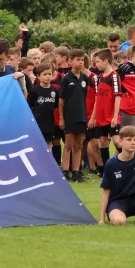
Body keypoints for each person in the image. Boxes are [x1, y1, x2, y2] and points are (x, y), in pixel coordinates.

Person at [59, 49, 90, 182]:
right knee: (68, 145)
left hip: (81, 116)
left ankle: (76, 171)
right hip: (69, 116)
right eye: (78, 60)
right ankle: (65, 171)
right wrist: (61, 118)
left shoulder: (85, 78)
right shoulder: (66, 78)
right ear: (71, 61)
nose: (81, 62)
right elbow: (61, 100)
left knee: (79, 145)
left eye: (82, 60)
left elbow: (85, 97)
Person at [90, 49, 122, 168]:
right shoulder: (98, 78)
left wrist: (115, 116)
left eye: (97, 61)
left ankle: (128, 162)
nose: (96, 64)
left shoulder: (114, 76)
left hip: (111, 116)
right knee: (102, 142)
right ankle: (106, 169)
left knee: (117, 141)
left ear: (105, 61)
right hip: (101, 116)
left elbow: (118, 96)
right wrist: (93, 118)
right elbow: (97, 99)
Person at [28, 63, 58, 153]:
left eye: (49, 74)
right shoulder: (34, 90)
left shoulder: (54, 90)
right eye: (45, 74)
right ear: (38, 76)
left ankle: (47, 163)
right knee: (37, 143)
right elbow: (30, 105)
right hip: (38, 122)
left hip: (49, 121)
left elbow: (56, 106)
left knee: (48, 143)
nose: (48, 76)